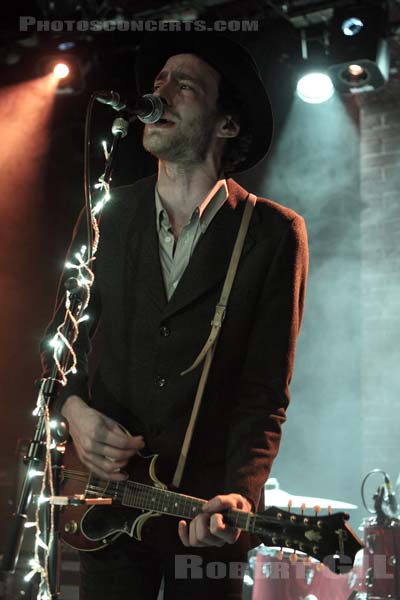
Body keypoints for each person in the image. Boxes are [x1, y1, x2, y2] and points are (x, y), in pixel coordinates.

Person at [41, 32, 308, 600]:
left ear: (226, 124)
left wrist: (239, 495)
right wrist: (74, 412)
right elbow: (61, 345)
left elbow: (264, 394)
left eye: (184, 85)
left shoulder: (271, 233)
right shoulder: (108, 216)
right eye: (158, 81)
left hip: (202, 515)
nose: (159, 92)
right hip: (105, 506)